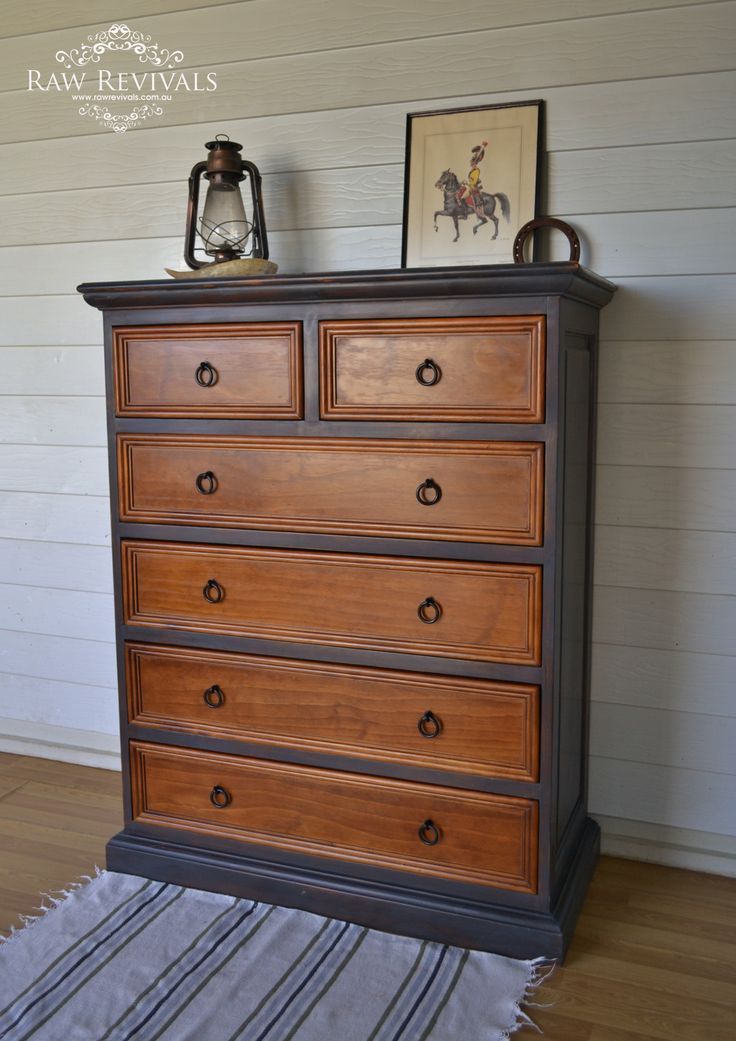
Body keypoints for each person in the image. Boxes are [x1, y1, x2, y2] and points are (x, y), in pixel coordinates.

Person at [458, 141, 488, 217]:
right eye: (471, 162)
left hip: (473, 187)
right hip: (470, 185)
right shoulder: (472, 170)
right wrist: (464, 182)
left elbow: (473, 182)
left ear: (474, 163)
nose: (471, 163)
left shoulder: (477, 170)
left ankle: (465, 214)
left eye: (472, 162)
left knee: (462, 198)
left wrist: (483, 147)